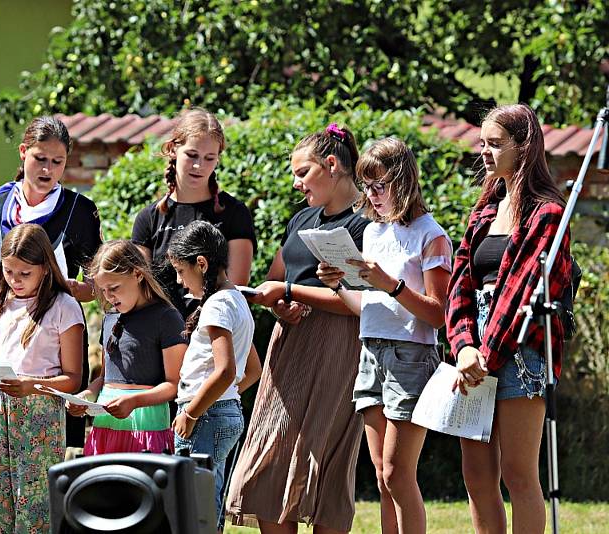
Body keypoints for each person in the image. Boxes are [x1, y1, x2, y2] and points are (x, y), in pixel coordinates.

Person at [226, 124, 370, 534]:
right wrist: (281, 306)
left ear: (332, 165)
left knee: (324, 454)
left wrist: (293, 292)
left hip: (339, 347)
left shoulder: (366, 223)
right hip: (289, 344)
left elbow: (361, 304)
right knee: (268, 456)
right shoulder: (302, 218)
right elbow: (277, 276)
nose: (296, 183)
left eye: (303, 172)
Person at [446, 104, 572, 534]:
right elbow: (459, 286)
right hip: (473, 354)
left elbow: (522, 290)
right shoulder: (482, 213)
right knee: (477, 476)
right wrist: (463, 346)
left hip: (520, 352)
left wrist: (484, 354)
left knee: (518, 475)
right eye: (481, 142)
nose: (483, 151)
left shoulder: (548, 214)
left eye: (495, 143)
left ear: (524, 147)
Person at [316, 137, 452, 533]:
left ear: (404, 181)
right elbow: (369, 310)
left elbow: (439, 314)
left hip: (411, 356)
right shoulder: (373, 233)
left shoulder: (430, 234)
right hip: (371, 351)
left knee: (396, 473)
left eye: (381, 185)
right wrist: (340, 286)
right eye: (368, 186)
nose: (373, 196)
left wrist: (389, 284)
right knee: (380, 476)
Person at [0, 115, 101, 447]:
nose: (47, 170)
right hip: (2, 343)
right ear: (24, 153)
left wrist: (72, 288)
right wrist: (9, 283)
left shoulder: (80, 210)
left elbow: (97, 285)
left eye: (57, 162)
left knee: (43, 469)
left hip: (53, 350)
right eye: (40, 159)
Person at [0, 223, 83, 533]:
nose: (15, 281)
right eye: (9, 272)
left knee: (33, 507)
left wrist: (31, 385)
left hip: (40, 415)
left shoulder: (64, 306)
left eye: (25, 274)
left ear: (46, 268)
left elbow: (73, 379)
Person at [166, 220, 261, 533]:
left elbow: (225, 371)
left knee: (195, 507)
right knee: (208, 499)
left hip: (205, 416)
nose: (181, 282)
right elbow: (252, 371)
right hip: (223, 411)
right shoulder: (237, 300)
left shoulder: (217, 305)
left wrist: (193, 412)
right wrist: (226, 398)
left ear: (201, 264)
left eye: (181, 271)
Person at [131, 106, 256, 318]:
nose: (199, 166)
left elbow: (235, 290)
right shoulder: (149, 218)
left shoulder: (234, 213)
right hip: (163, 338)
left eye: (209, 158)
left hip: (214, 331)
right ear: (172, 149)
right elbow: (140, 288)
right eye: (192, 155)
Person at [66, 240, 187, 454]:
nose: (109, 296)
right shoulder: (110, 318)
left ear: (138, 274)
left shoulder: (166, 317)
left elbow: (174, 384)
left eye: (114, 288)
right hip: (105, 427)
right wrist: (85, 396)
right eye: (103, 290)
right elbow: (105, 378)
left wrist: (134, 401)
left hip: (146, 427)